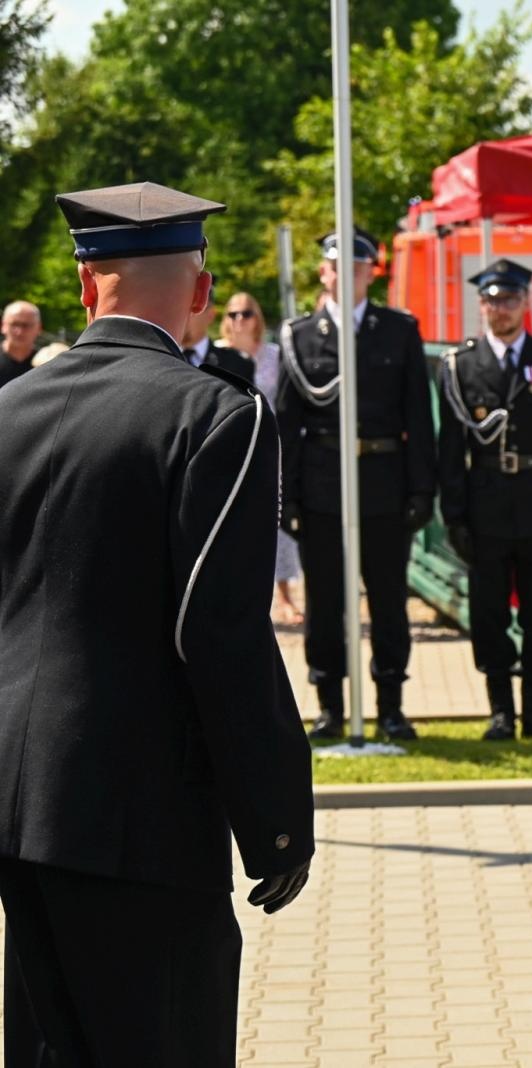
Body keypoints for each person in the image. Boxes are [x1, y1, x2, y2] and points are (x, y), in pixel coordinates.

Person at [0, 181, 313, 1064]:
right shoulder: (218, 416)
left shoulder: (8, 409)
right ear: (202, 291)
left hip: (19, 803)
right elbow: (218, 635)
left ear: (83, 284)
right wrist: (276, 821)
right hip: (142, 810)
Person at [277, 226, 437, 741]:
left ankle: (390, 705)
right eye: (336, 268)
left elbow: (418, 416)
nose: (346, 277)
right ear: (323, 274)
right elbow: (287, 424)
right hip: (323, 488)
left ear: (371, 274)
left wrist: (421, 490)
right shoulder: (300, 336)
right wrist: (288, 496)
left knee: (388, 603)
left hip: (385, 485)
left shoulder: (398, 330)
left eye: (357, 269)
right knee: (326, 605)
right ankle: (329, 705)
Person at [437, 258, 532, 742]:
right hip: (485, 507)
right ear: (480, 305)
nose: (499, 308)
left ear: (525, 303)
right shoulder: (460, 365)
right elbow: (450, 451)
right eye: (491, 300)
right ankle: (500, 711)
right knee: (489, 614)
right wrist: (454, 516)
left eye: (509, 299)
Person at [223, 289, 303, 624]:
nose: (240, 320)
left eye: (247, 313)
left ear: (257, 318)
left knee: (276, 520)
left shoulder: (274, 355)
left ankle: (283, 595)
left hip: (272, 447)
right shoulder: (219, 354)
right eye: (233, 314)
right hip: (232, 450)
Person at [179, 289, 254, 379]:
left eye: (190, 308)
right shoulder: (163, 360)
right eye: (177, 308)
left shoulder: (239, 365)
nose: (181, 315)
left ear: (210, 315)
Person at [0, 299, 41, 389]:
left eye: (26, 325)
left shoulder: (45, 364)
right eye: (14, 324)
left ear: (39, 328)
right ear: (3, 326)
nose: (19, 332)